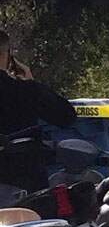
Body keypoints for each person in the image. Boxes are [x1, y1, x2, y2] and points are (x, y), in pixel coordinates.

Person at [0, 29, 78, 191]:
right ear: (7, 55)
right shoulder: (23, 90)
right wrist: (32, 84)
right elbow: (66, 116)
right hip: (23, 185)